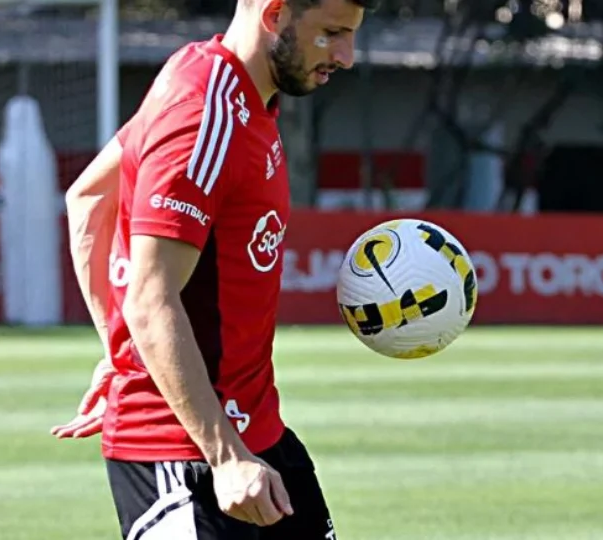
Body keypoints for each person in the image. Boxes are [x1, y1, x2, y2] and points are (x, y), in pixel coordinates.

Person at [51, 0, 370, 538]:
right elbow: (150, 299)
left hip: (259, 440)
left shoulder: (224, 85)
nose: (347, 56)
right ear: (275, 13)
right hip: (187, 457)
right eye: (333, 33)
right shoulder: (202, 116)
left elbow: (88, 198)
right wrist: (224, 456)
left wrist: (119, 351)